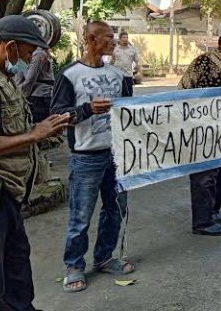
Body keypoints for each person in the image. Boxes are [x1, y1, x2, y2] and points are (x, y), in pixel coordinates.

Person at [0, 15, 70, 311]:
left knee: (18, 276)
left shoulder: (6, 79)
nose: (28, 60)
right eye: (25, 53)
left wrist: (44, 129)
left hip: (10, 195)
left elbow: (15, 131)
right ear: (10, 47)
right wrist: (34, 134)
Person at [51, 21, 134, 292]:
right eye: (108, 37)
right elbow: (57, 116)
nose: (113, 41)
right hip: (85, 156)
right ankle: (74, 265)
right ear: (90, 39)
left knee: (116, 209)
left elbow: (131, 112)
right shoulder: (70, 75)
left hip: (117, 155)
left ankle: (104, 257)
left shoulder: (118, 75)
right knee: (81, 215)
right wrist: (87, 109)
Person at [178, 22, 221, 236]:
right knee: (204, 176)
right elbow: (183, 89)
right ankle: (202, 222)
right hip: (203, 129)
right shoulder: (204, 61)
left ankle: (212, 211)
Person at [15, 46, 55, 123]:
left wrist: (21, 97)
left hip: (40, 98)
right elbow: (19, 79)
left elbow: (30, 79)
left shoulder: (39, 54)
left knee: (38, 127)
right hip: (34, 98)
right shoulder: (22, 54)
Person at [111, 31, 140, 97]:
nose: (125, 39)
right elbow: (112, 61)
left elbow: (137, 62)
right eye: (124, 37)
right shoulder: (115, 49)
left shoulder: (132, 50)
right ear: (120, 39)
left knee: (128, 94)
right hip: (117, 76)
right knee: (118, 94)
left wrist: (138, 73)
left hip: (128, 75)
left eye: (127, 37)